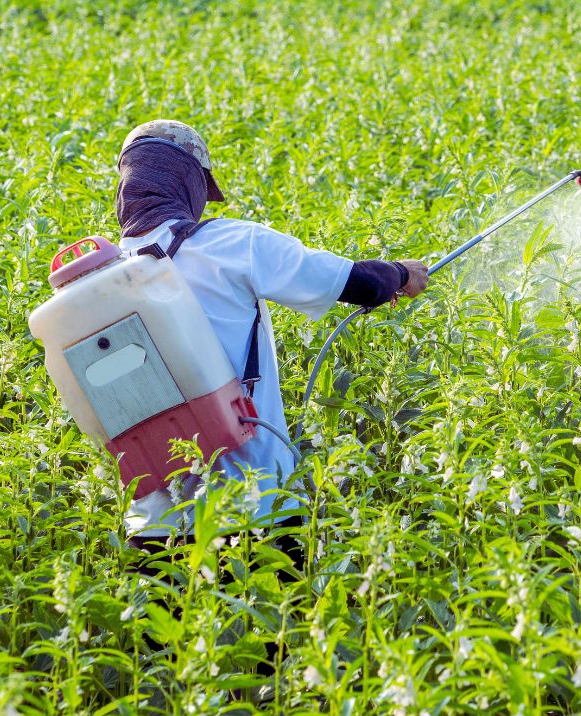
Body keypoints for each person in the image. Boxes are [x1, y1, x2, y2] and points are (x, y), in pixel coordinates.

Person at [114, 119, 428, 552]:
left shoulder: (96, 277)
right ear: (187, 181)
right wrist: (400, 274)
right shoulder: (229, 243)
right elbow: (355, 283)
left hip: (152, 529)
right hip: (253, 510)